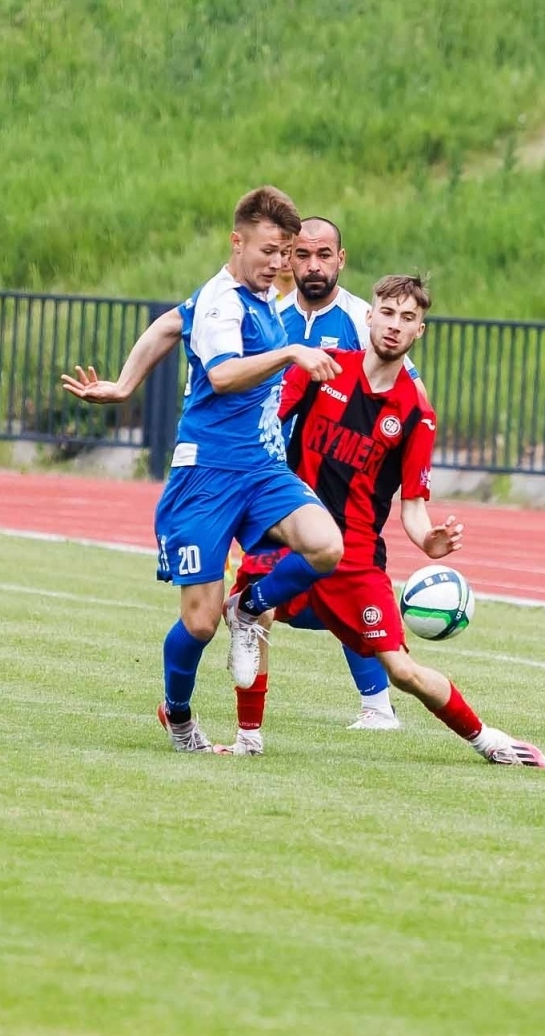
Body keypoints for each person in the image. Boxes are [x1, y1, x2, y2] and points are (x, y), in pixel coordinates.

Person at [63, 186, 344, 753]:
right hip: (207, 475)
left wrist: (123, 382)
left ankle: (251, 606)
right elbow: (221, 376)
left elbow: (170, 323)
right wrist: (292, 354)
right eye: (269, 250)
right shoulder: (225, 304)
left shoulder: (255, 293)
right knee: (197, 624)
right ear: (236, 241)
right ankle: (180, 714)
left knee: (325, 546)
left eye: (285, 251)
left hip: (261, 468)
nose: (279, 263)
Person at [230, 273, 545, 767]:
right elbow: (263, 429)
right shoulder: (322, 372)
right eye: (388, 313)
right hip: (292, 533)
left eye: (408, 318)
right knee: (245, 614)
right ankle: (246, 738)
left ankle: (490, 741)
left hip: (354, 558)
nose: (395, 326)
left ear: (419, 331)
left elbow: (413, 507)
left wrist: (430, 542)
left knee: (401, 669)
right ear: (368, 316)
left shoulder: (417, 415)